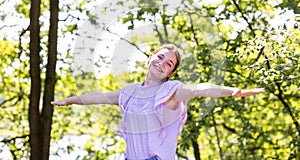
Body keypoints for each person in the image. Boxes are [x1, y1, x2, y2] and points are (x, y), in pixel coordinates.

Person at [51, 44, 265, 160]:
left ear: (170, 72)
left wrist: (236, 92)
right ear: (150, 59)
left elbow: (200, 89)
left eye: (169, 63)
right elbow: (98, 97)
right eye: (160, 57)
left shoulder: (170, 92)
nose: (162, 63)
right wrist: (70, 100)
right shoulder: (129, 92)